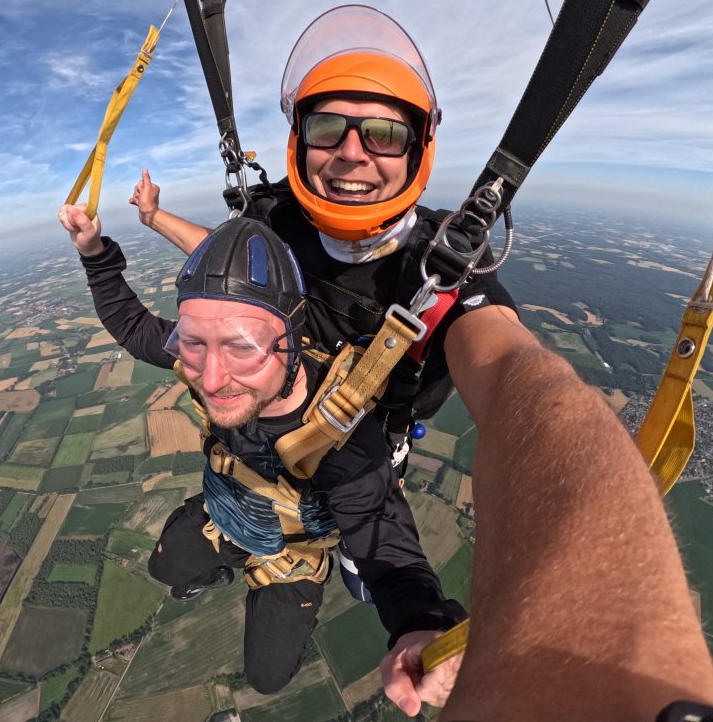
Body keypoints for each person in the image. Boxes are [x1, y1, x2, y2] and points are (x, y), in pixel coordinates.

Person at [109, 4, 713, 720]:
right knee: (170, 561)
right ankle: (228, 548)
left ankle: (306, 562)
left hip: (352, 477)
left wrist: (609, 638)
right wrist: (154, 218)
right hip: (249, 458)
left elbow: (519, 384)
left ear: (418, 149)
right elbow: (227, 264)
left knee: (277, 665)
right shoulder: (272, 220)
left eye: (384, 134)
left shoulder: (440, 270)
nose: (352, 152)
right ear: (298, 141)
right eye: (327, 128)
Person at [58, 209, 466, 698]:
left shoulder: (342, 438)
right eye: (193, 343)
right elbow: (132, 326)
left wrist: (419, 623)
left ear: (291, 340)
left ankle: (277, 578)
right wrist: (93, 252)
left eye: (242, 347)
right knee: (163, 568)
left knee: (266, 678)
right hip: (228, 512)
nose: (212, 378)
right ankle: (222, 564)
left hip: (293, 553)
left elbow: (386, 547)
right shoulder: (207, 360)